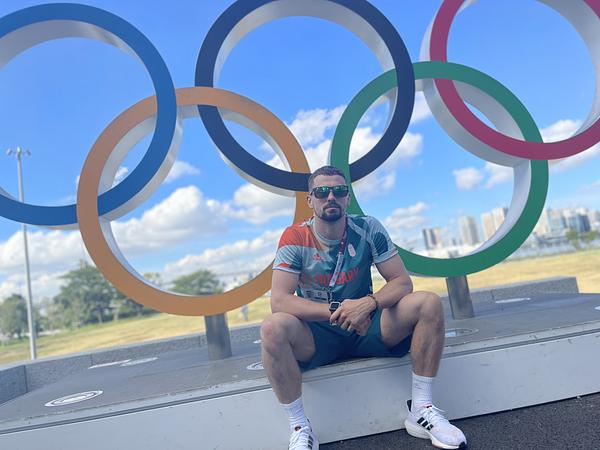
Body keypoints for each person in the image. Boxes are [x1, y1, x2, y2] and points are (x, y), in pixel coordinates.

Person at [260, 165, 467, 450]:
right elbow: (280, 301)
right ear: (310, 200)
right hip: (318, 333)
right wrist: (341, 310)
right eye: (322, 191)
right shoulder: (295, 237)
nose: (330, 196)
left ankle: (422, 409)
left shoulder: (368, 227)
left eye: (339, 190)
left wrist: (368, 304)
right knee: (272, 328)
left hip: (367, 325)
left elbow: (402, 282)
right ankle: (300, 428)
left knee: (428, 302)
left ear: (347, 197)